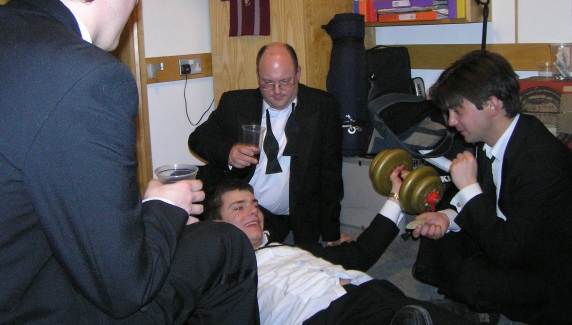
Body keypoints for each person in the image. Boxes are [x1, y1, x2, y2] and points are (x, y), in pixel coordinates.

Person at [0, 0, 259, 323]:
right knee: (225, 244)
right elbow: (125, 288)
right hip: (38, 307)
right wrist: (164, 207)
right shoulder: (88, 77)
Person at [409, 50, 572, 324]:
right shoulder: (492, 138)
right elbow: (488, 202)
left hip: (548, 268)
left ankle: (479, 307)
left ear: (492, 105)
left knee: (473, 277)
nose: (451, 121)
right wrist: (446, 217)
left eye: (458, 110)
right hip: (508, 236)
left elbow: (509, 252)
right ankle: (473, 301)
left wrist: (469, 187)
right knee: (440, 233)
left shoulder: (541, 163)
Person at [203, 178, 472, 325]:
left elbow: (361, 254)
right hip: (319, 316)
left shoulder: (293, 250)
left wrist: (397, 197)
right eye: (239, 208)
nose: (253, 211)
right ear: (216, 225)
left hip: (372, 293)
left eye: (254, 205)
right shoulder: (222, 275)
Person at [188, 42, 344, 245]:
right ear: (258, 76)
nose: (277, 91)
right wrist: (228, 152)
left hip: (279, 218)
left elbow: (331, 175)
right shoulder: (235, 103)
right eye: (268, 83)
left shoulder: (323, 107)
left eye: (285, 82)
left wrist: (332, 234)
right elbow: (198, 139)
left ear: (298, 74)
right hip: (235, 208)